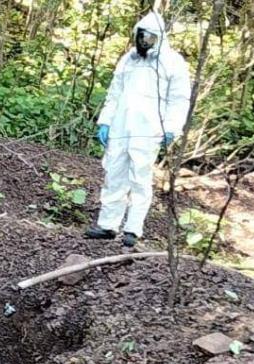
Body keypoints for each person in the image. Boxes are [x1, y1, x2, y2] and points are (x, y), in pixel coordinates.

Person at [85, 11, 191, 247]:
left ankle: (133, 229)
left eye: (150, 38)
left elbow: (179, 99)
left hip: (150, 128)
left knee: (140, 178)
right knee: (114, 175)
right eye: (142, 37)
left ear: (159, 38)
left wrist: (172, 128)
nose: (145, 42)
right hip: (122, 125)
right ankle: (107, 225)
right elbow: (115, 93)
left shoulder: (173, 63)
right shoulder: (128, 60)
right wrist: (106, 121)